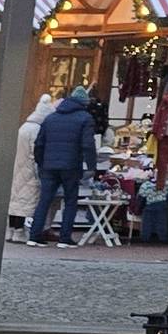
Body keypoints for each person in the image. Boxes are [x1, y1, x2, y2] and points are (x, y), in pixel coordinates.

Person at [25, 87, 99, 247]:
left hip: (49, 166)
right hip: (71, 166)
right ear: (84, 103)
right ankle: (64, 238)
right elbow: (88, 145)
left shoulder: (50, 118)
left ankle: (34, 235)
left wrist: (41, 163)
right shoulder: (85, 118)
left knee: (44, 200)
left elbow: (39, 143)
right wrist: (92, 166)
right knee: (70, 201)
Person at [5, 94, 55, 244]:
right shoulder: (37, 129)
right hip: (29, 170)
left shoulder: (25, 127)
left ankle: (11, 229)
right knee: (24, 202)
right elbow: (36, 152)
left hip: (18, 167)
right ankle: (19, 231)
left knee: (15, 200)